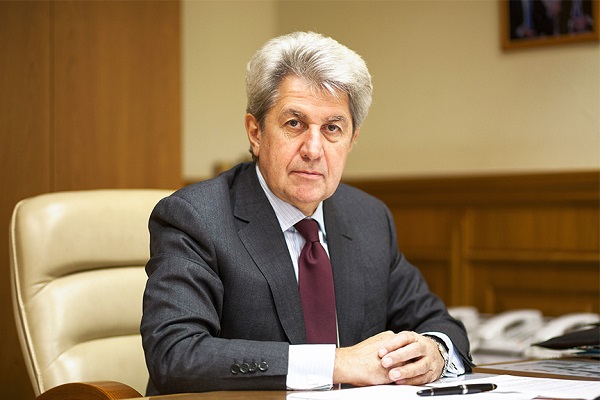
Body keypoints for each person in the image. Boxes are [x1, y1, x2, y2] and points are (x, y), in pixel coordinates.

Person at [140, 31, 473, 395]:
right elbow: (176, 355)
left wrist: (435, 352)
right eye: (294, 124)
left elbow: (440, 324)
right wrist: (337, 364)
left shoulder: (368, 218)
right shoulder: (195, 218)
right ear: (255, 132)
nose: (313, 150)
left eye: (332, 128)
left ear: (351, 140)